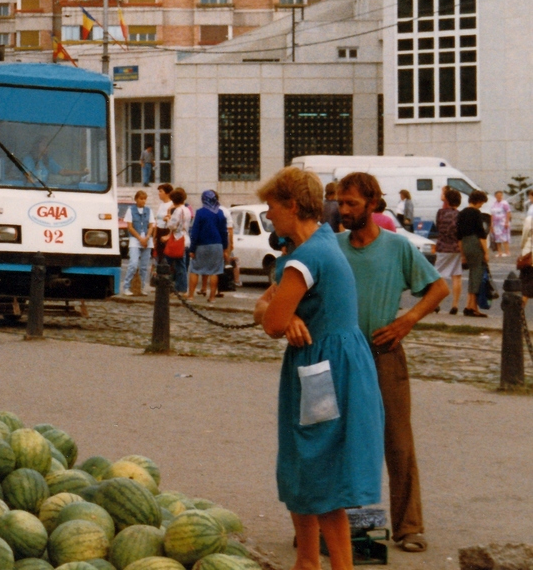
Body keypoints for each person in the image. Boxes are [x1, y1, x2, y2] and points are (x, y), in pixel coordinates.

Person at [252, 167, 384, 570]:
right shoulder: (324, 244)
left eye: (272, 207)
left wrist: (278, 313)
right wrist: (282, 312)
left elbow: (272, 320)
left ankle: (329, 564)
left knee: (318, 466)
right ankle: (307, 560)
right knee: (306, 462)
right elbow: (280, 310)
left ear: (292, 205)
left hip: (319, 373)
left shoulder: (303, 259)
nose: (268, 215)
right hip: (339, 365)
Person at [335, 172, 448, 553]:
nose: (344, 209)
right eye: (340, 202)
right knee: (343, 444)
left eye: (351, 203)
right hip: (343, 360)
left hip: (385, 359)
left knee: (398, 444)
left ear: (372, 203)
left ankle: (408, 527)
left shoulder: (398, 248)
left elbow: (439, 288)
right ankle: (346, 527)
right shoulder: (333, 246)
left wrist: (407, 320)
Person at [187, 190, 233, 303]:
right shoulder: (220, 213)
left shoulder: (200, 212)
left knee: (195, 269)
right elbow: (224, 232)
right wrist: (225, 248)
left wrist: (192, 249)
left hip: (201, 244)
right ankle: (212, 297)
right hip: (217, 244)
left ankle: (191, 296)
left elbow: (195, 232)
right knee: (214, 271)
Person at [456, 190, 490, 318]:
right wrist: (486, 252)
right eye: (482, 203)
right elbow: (481, 235)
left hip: (465, 243)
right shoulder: (476, 213)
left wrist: (463, 254)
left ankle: (469, 306)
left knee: (472, 274)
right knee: (477, 274)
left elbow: (458, 235)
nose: (482, 205)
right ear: (479, 201)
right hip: (475, 243)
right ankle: (472, 306)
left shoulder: (461, 213)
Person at [434, 188, 464, 315]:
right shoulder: (459, 215)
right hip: (456, 247)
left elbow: (438, 226)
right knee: (456, 276)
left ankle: (436, 303)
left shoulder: (440, 213)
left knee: (438, 275)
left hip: (442, 246)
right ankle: (455, 305)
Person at [120, 190, 153, 296]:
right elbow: (129, 227)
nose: (143, 201)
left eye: (144, 199)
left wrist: (147, 237)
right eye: (141, 199)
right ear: (136, 199)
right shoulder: (131, 210)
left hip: (147, 239)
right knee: (133, 264)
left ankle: (141, 287)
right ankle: (126, 286)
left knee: (144, 266)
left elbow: (151, 225)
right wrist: (139, 238)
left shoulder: (149, 210)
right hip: (135, 239)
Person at [164, 188, 192, 294]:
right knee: (181, 265)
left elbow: (172, 225)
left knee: (174, 265)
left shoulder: (178, 210)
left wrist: (167, 219)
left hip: (177, 239)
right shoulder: (187, 209)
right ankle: (180, 288)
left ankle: (178, 288)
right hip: (185, 238)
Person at [488, 190, 512, 257]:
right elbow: (492, 214)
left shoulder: (504, 203)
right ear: (495, 196)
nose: (499, 197)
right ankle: (499, 252)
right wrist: (491, 224)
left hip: (503, 222)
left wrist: (507, 222)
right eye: (497, 195)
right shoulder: (493, 204)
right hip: (496, 223)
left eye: (500, 195)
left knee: (504, 237)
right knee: (497, 238)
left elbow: (508, 212)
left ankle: (507, 251)